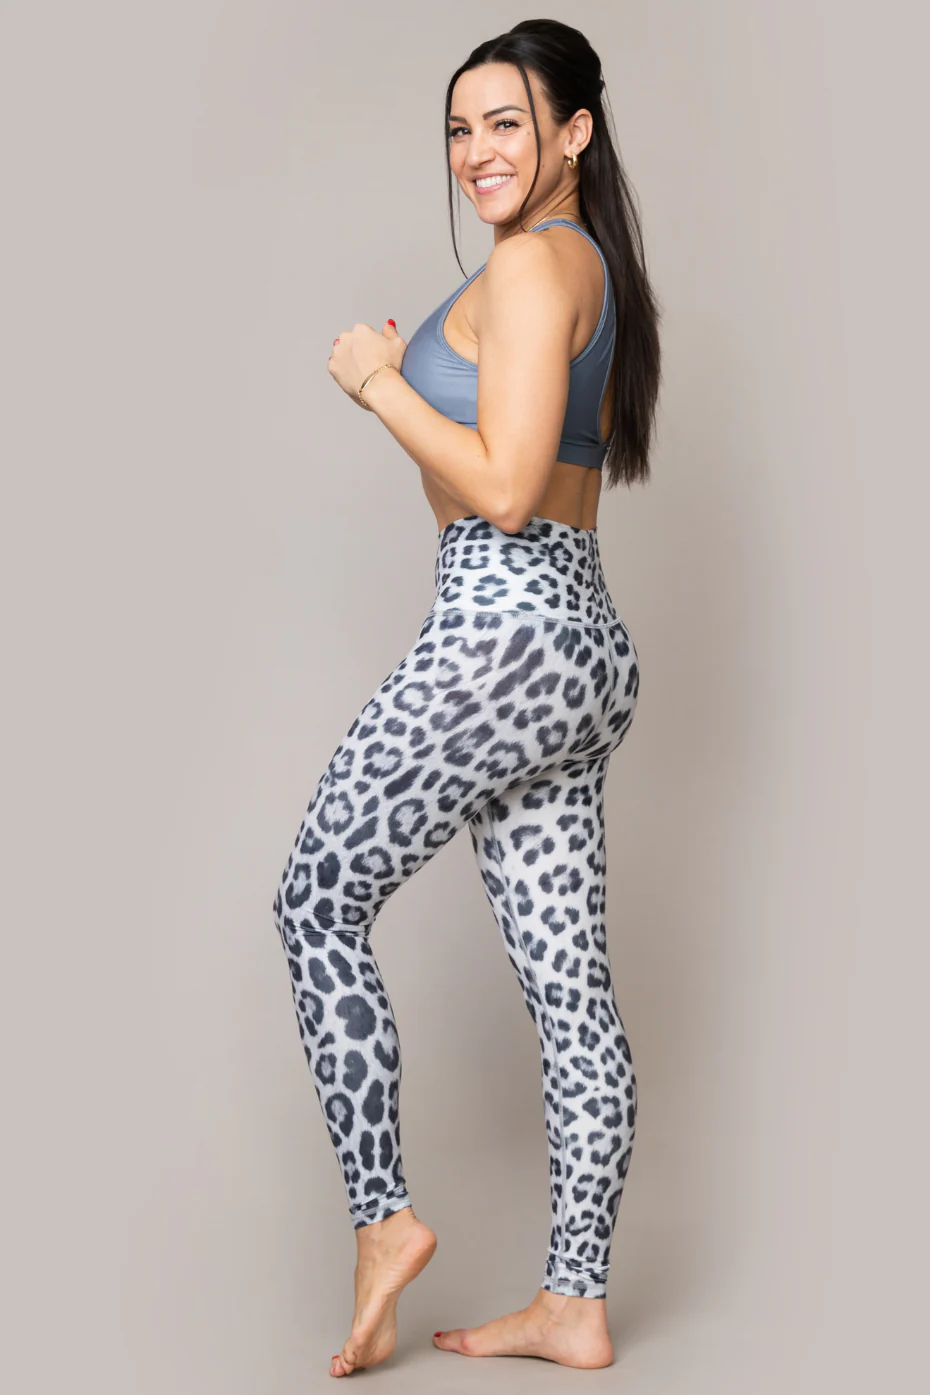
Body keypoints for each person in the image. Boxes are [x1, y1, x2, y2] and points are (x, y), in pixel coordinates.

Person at [271, 18, 661, 1378]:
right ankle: (574, 1301)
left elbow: (498, 495)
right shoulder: (582, 264)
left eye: (507, 122)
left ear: (573, 134)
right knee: (570, 995)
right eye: (458, 127)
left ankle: (384, 1218)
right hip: (575, 642)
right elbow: (499, 478)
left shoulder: (537, 263)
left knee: (315, 900)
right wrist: (406, 397)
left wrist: (381, 382)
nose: (476, 150)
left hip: (502, 637)